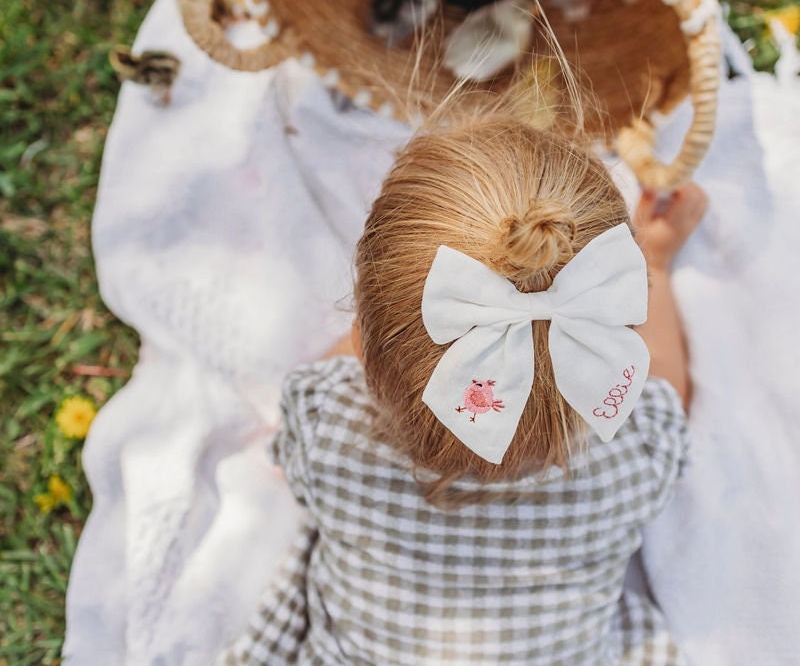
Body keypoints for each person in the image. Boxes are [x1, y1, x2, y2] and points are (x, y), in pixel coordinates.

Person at [217, 71, 708, 665]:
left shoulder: (327, 431)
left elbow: (289, 452)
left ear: (363, 336)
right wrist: (658, 259)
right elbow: (666, 389)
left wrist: (382, 330)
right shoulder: (634, 452)